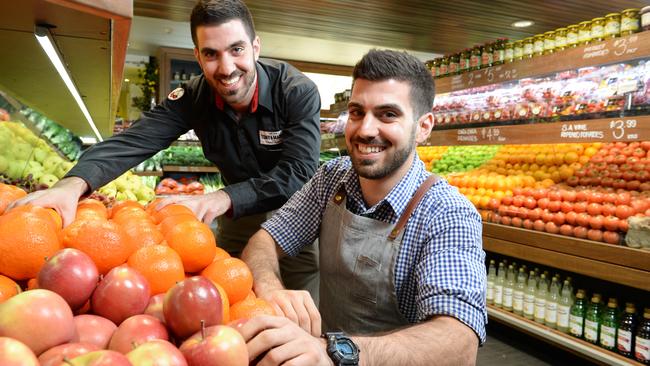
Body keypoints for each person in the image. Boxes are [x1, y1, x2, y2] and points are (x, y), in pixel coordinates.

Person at [9, 0, 321, 297]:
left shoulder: (295, 92)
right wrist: (72, 184)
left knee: (297, 303)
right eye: (211, 54)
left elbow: (299, 172)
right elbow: (134, 141)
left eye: (236, 50)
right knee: (235, 297)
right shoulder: (194, 97)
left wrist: (222, 196)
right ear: (198, 57)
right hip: (237, 219)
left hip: (292, 214)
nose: (226, 68)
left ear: (255, 47)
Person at [239, 49, 486, 365]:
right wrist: (272, 287)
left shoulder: (447, 214)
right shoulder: (332, 178)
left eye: (388, 114)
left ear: (424, 127)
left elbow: (458, 343)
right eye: (357, 112)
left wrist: (337, 351)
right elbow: (264, 241)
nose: (365, 129)